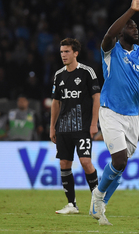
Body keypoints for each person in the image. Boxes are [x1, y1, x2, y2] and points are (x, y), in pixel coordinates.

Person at [90, 0, 139, 225]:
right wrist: (131, 11)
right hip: (110, 111)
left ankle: (100, 207)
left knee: (120, 168)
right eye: (131, 26)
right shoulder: (111, 51)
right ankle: (98, 195)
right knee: (120, 160)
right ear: (122, 31)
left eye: (136, 26)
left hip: (132, 116)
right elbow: (109, 33)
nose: (136, 29)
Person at [50, 38, 100, 214]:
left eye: (67, 51)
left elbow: (96, 98)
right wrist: (52, 128)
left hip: (82, 126)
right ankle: (72, 204)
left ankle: (98, 201)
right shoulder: (58, 75)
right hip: (63, 127)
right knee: (64, 163)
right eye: (62, 52)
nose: (63, 55)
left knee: (86, 162)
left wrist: (94, 123)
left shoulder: (87, 72)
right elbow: (55, 103)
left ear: (75, 53)